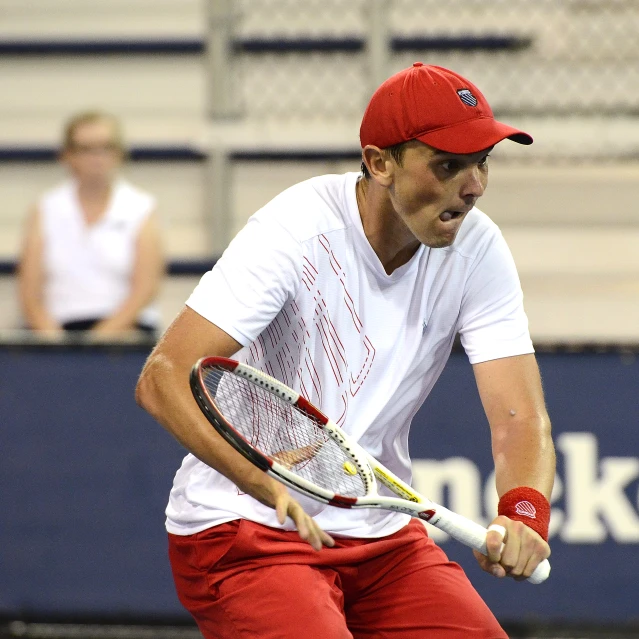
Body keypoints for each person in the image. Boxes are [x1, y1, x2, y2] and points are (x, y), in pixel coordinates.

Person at [136, 63, 555, 638]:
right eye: (448, 165)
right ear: (380, 162)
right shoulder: (295, 229)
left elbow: (519, 417)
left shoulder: (478, 248)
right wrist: (263, 482)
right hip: (245, 530)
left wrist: (523, 513)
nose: (475, 185)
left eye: (482, 162)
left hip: (380, 539)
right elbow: (163, 377)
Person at [17, 111, 165, 338]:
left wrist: (100, 339)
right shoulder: (46, 209)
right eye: (86, 149)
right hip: (58, 329)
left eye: (105, 147)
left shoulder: (140, 207)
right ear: (67, 155)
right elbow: (29, 292)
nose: (97, 157)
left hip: (128, 334)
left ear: (119, 153)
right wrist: (53, 339)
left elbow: (145, 289)